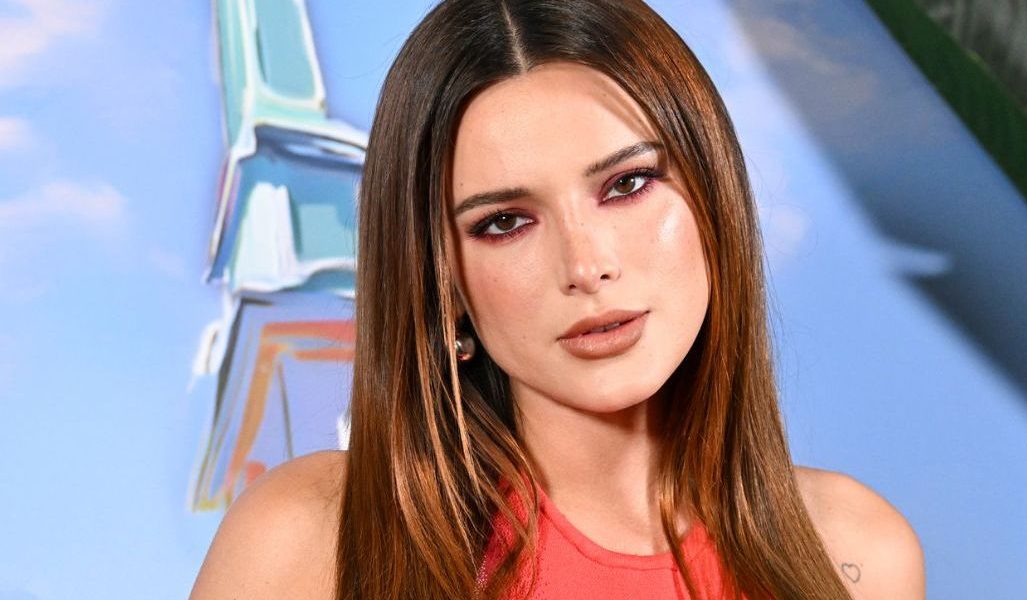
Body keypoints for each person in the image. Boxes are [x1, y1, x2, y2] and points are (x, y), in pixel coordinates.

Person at [190, 0, 925, 598]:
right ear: (442, 281)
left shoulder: (857, 554)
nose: (587, 265)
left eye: (628, 184)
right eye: (505, 222)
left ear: (714, 197)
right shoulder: (313, 541)